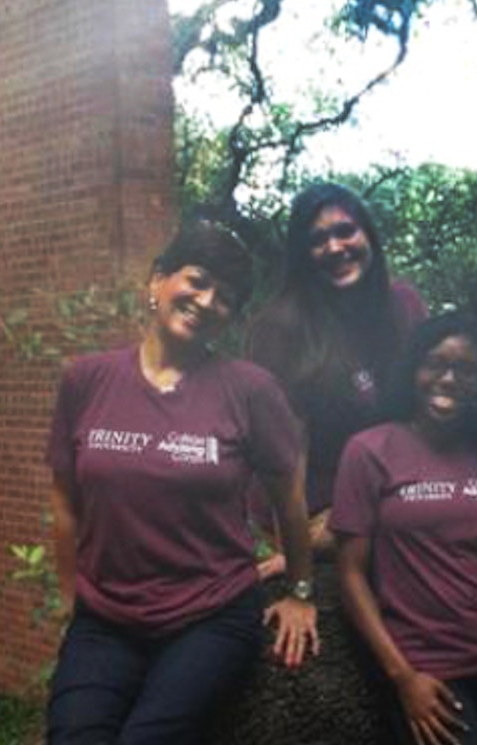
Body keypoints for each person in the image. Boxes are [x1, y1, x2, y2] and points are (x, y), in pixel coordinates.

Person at [46, 222, 319, 745]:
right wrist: (69, 597)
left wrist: (301, 591)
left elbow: (289, 497)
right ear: (157, 280)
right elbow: (64, 499)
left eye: (226, 297)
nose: (207, 300)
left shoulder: (250, 390)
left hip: (210, 615)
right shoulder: (87, 379)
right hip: (105, 619)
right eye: (196, 280)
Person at [332, 312, 477, 745]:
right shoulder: (369, 450)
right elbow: (351, 575)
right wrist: (402, 677)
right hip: (425, 668)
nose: (449, 378)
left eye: (466, 370)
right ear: (414, 369)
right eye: (436, 363)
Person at [247, 182, 428, 571]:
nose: (334, 248)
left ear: (368, 236)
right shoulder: (282, 327)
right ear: (302, 254)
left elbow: (427, 412)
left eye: (345, 231)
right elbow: (283, 454)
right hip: (317, 506)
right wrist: (294, 559)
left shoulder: (405, 306)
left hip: (392, 486)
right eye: (317, 240)